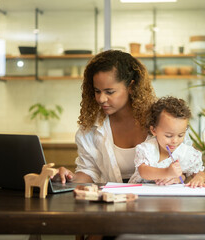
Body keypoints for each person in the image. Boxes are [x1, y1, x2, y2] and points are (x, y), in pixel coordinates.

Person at [55, 50, 157, 184]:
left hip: (156, 203)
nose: (101, 99)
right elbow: (89, 171)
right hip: (111, 202)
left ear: (131, 87)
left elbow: (184, 163)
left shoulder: (160, 119)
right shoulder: (90, 129)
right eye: (97, 91)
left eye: (110, 92)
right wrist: (69, 178)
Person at [128, 96, 205, 188]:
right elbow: (143, 172)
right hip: (140, 195)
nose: (175, 141)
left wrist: (199, 178)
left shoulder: (186, 152)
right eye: (168, 136)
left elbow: (199, 173)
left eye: (180, 135)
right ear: (154, 130)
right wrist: (167, 172)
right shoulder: (147, 149)